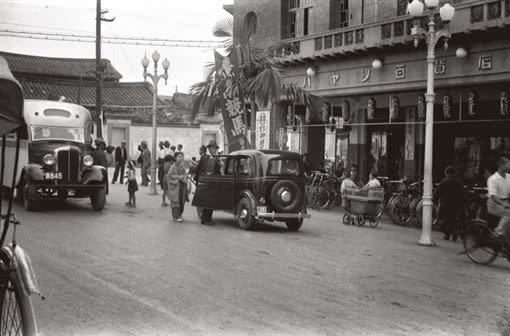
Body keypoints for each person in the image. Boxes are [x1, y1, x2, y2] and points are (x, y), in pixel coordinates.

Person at [434, 166, 464, 241]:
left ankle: (448, 233)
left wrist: (434, 199)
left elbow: (438, 192)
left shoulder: (444, 182)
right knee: (452, 219)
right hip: (456, 204)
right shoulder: (458, 182)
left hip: (445, 204)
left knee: (442, 218)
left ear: (446, 173)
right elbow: (462, 193)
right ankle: (453, 233)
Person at [487, 156, 510, 248]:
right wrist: (503, 204)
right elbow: (493, 196)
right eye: (508, 164)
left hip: (506, 203)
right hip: (494, 204)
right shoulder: (493, 179)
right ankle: (498, 232)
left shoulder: (509, 177)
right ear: (501, 165)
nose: (509, 167)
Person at [199, 140, 222, 225]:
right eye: (212, 148)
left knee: (210, 202)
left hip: (212, 182)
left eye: (215, 148)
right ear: (209, 149)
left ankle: (208, 219)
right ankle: (205, 220)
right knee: (208, 202)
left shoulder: (214, 157)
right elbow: (208, 171)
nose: (214, 149)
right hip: (209, 182)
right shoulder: (208, 158)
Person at [166, 152, 189, 222]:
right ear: (175, 158)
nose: (181, 158)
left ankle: (180, 215)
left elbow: (185, 174)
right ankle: (175, 217)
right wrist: (179, 177)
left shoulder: (182, 166)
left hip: (182, 186)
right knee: (176, 202)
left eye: (182, 156)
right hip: (176, 187)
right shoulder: (173, 166)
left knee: (182, 201)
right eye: (179, 156)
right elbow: (169, 176)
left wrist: (185, 178)